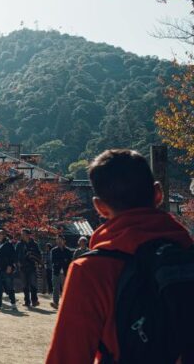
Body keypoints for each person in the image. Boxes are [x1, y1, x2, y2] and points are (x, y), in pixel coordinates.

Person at [46, 149, 194, 363]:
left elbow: (67, 357)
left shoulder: (91, 270)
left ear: (99, 207)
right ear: (158, 194)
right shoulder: (186, 255)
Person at [0, 229, 17, 310]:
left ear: (5, 235)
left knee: (9, 286)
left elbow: (13, 256)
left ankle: (13, 303)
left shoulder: (8, 245)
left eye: (1, 234)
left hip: (6, 268)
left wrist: (10, 266)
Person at [16, 228, 41, 307]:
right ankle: (27, 301)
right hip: (23, 267)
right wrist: (17, 263)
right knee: (25, 285)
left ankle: (34, 300)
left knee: (33, 284)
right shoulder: (19, 244)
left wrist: (38, 261)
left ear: (28, 235)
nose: (22, 235)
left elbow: (38, 255)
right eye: (21, 234)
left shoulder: (34, 244)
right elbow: (15, 255)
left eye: (23, 234)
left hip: (32, 267)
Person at [49, 235, 72, 309]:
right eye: (57, 240)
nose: (58, 241)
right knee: (55, 288)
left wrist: (62, 261)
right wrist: (63, 261)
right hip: (56, 271)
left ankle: (66, 303)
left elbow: (69, 261)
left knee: (65, 288)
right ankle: (55, 303)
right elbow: (53, 261)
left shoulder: (68, 251)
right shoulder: (54, 250)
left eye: (60, 240)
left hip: (65, 272)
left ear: (64, 241)